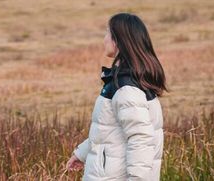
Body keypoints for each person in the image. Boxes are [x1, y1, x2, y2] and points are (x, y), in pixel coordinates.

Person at [66, 13, 166, 180]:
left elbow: (140, 138)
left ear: (119, 40)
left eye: (108, 33)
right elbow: (108, 130)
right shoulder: (127, 81)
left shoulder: (127, 89)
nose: (104, 39)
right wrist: (83, 153)